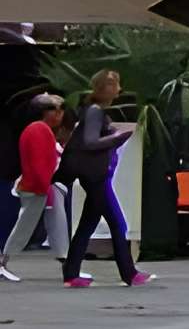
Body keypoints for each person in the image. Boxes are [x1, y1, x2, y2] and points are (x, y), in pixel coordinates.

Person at [57, 70, 146, 291]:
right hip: (95, 176)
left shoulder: (92, 110)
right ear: (105, 88)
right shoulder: (95, 111)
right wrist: (118, 137)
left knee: (88, 224)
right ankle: (129, 273)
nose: (118, 90)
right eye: (115, 85)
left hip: (94, 175)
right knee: (118, 223)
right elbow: (90, 142)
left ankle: (71, 273)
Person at [0, 94, 65, 281]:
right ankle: (3, 262)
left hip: (40, 186)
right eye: (56, 109)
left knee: (53, 226)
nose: (60, 114)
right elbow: (38, 164)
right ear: (45, 112)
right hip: (36, 187)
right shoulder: (38, 130)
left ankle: (68, 263)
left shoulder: (41, 129)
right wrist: (44, 187)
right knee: (24, 227)